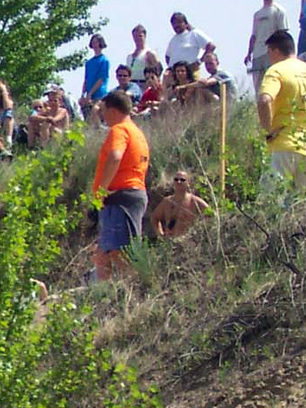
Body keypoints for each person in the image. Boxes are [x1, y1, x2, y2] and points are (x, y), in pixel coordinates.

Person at [256, 30, 306, 198]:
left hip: (283, 145)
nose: (269, 57)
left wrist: (268, 130)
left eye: (269, 53)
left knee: (271, 202)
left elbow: (264, 100)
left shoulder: (276, 71)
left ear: (275, 51)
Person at [90, 91, 150, 283]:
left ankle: (129, 295)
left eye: (104, 111)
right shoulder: (137, 132)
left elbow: (115, 156)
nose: (102, 116)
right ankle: (105, 295)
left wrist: (101, 189)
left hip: (120, 197)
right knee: (105, 253)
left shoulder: (120, 130)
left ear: (113, 111)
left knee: (120, 253)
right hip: (129, 195)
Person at [247, 0, 290, 93]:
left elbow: (283, 33)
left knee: (271, 82)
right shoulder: (257, 14)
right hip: (257, 53)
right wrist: (249, 53)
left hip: (272, 52)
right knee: (258, 85)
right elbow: (254, 35)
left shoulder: (279, 11)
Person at [148, 171, 211, 238]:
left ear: (188, 183)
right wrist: (160, 233)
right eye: (176, 179)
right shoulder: (167, 201)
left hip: (187, 242)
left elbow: (212, 214)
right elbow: (154, 218)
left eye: (182, 180)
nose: (179, 182)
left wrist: (200, 230)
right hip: (169, 242)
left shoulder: (194, 201)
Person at [80, 33, 110, 119]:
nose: (94, 44)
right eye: (93, 42)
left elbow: (101, 79)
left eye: (96, 42)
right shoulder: (89, 62)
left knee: (95, 111)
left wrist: (90, 93)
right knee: (87, 115)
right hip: (88, 94)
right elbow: (86, 79)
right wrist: (83, 94)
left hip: (99, 93)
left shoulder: (104, 60)